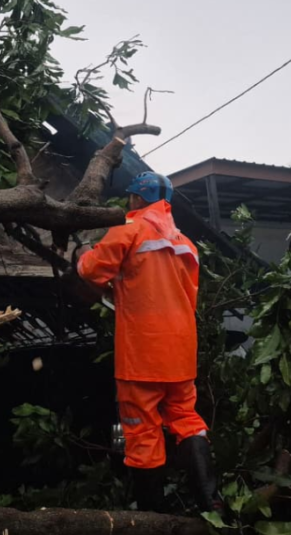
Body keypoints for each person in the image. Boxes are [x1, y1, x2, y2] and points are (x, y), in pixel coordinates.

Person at [75, 171, 221, 513]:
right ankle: (211, 500)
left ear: (138, 199)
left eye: (131, 197)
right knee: (187, 419)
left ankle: (153, 513)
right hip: (181, 352)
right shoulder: (187, 245)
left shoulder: (129, 230)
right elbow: (186, 297)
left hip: (142, 354)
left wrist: (83, 251)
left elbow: (90, 271)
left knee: (141, 430)